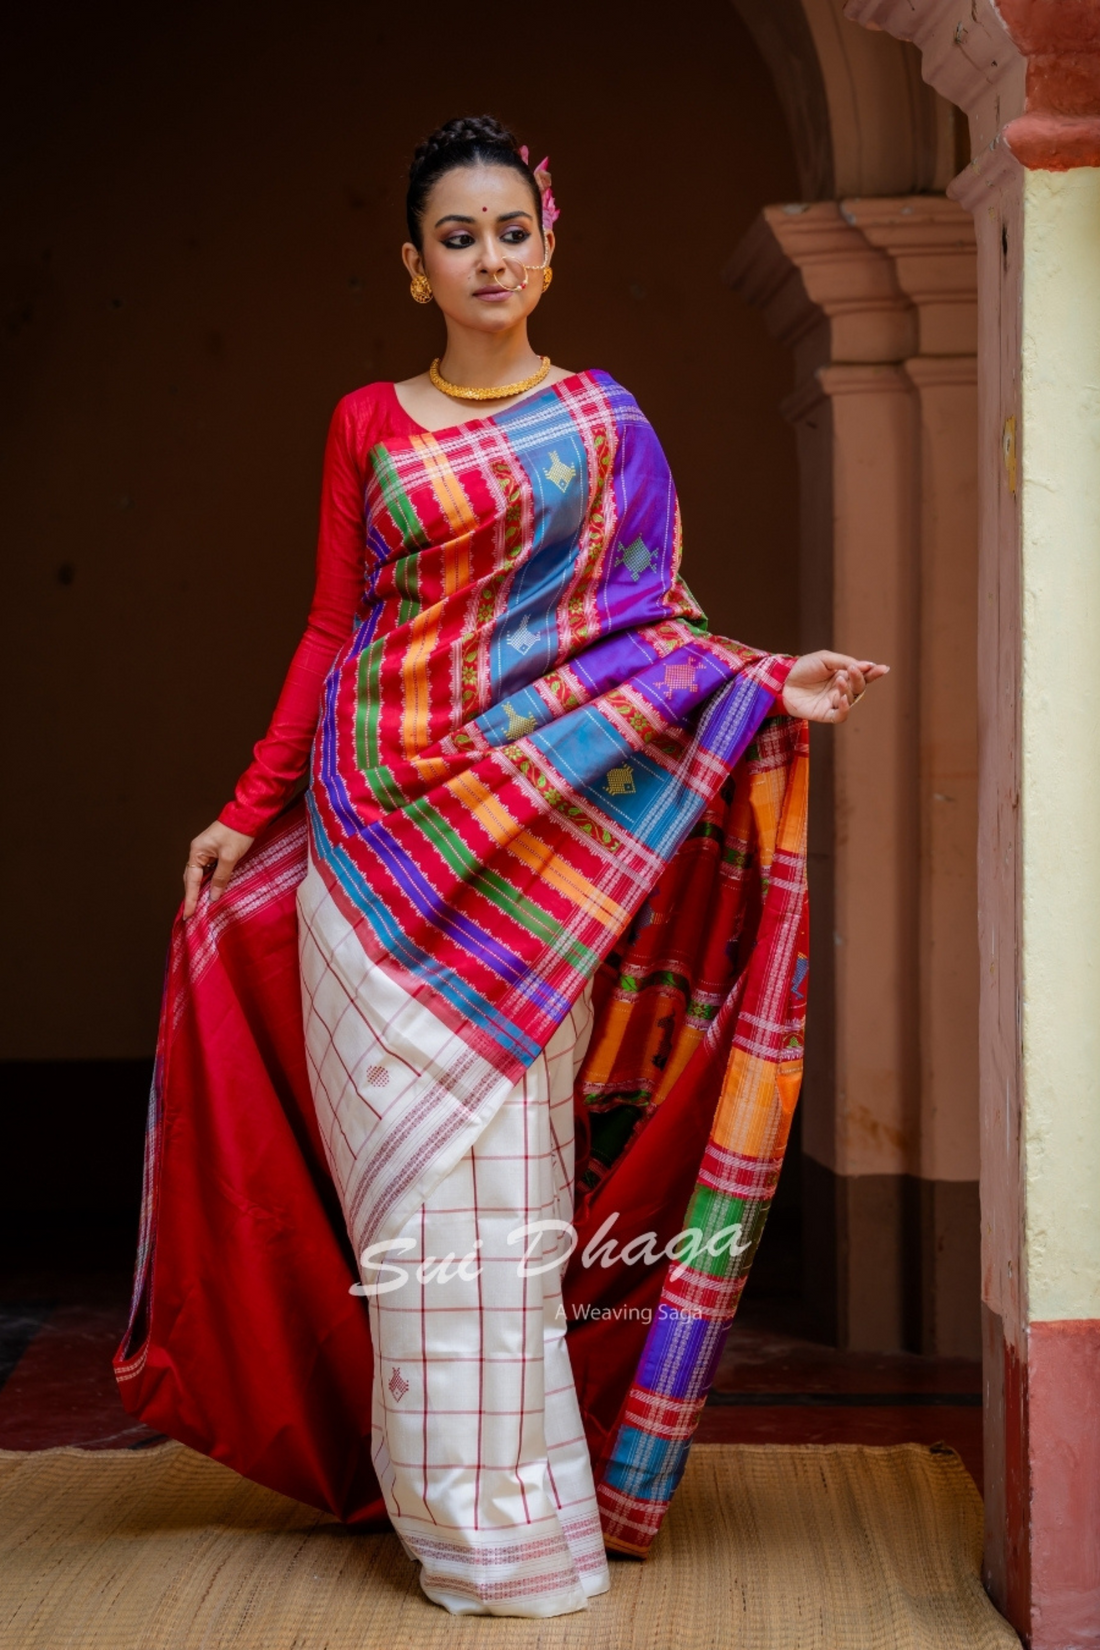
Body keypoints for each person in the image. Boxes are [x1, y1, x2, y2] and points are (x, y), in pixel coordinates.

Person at [118, 115, 887, 1619]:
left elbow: (646, 632)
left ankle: (528, 1522)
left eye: (511, 231)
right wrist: (248, 800)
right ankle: (454, 1521)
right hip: (369, 845)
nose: (489, 257)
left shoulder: (607, 428)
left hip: (528, 861)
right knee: (415, 1214)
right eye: (457, 237)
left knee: (509, 1192)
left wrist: (760, 684)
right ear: (416, 267)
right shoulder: (367, 423)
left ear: (551, 249)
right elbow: (336, 631)